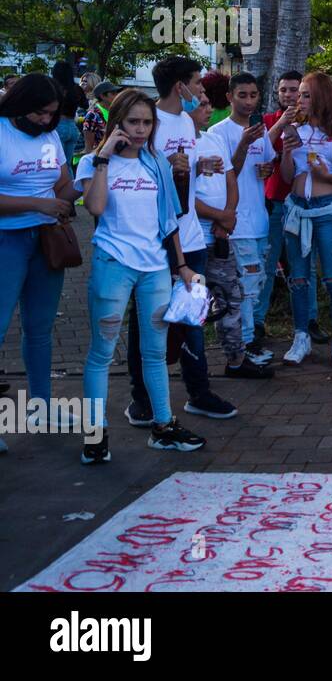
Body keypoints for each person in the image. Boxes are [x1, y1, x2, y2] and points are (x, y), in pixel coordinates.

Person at [75, 88, 207, 463]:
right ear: (117, 121)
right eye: (132, 121)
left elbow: (170, 220)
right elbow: (95, 207)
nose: (140, 130)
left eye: (147, 123)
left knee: (154, 352)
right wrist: (102, 158)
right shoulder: (92, 162)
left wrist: (181, 265)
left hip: (155, 270)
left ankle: (163, 426)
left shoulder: (156, 163)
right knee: (102, 351)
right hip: (113, 266)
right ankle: (95, 435)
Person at [123, 56, 236, 424]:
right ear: (180, 87)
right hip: (155, 241)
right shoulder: (147, 123)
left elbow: (182, 178)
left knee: (192, 318)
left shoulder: (187, 122)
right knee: (148, 320)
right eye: (198, 83)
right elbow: (132, 177)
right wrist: (166, 167)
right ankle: (141, 399)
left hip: (190, 238)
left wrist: (198, 168)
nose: (203, 90)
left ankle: (198, 392)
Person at [0, 76, 80, 423]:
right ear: (19, 105)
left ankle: (42, 408)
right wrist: (39, 204)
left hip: (46, 240)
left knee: (39, 327)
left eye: (52, 114)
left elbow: (62, 184)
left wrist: (84, 183)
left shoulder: (49, 136)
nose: (47, 121)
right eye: (40, 113)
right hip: (6, 240)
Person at [278, 71, 332, 367]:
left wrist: (327, 175)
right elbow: (288, 177)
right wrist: (287, 154)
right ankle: (301, 337)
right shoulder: (293, 130)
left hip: (327, 211)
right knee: (298, 279)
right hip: (297, 210)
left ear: (322, 96)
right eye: (298, 93)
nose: (298, 99)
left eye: (305, 94)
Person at [193, 95, 270, 378]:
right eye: (202, 103)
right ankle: (193, 367)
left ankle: (236, 359)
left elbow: (230, 179)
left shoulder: (211, 140)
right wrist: (219, 216)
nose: (208, 108)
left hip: (220, 236)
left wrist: (227, 218)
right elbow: (182, 195)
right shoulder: (179, 143)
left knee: (230, 297)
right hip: (191, 241)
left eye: (207, 102)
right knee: (194, 306)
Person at [207, 72, 281, 364]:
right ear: (229, 97)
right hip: (236, 224)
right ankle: (245, 345)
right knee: (244, 289)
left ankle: (246, 343)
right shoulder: (218, 133)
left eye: (253, 95)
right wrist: (242, 147)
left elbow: (262, 170)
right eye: (242, 95)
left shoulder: (260, 131)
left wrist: (267, 171)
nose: (249, 101)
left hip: (259, 220)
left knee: (255, 285)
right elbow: (225, 178)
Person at [256, 70, 326, 344]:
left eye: (294, 90)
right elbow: (262, 150)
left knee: (305, 265)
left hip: (304, 203)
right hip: (274, 202)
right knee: (267, 263)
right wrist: (282, 125)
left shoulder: (317, 124)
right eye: (283, 90)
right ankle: (259, 322)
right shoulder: (267, 121)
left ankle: (310, 319)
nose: (288, 95)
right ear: (276, 93)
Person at [51, 61, 87, 164]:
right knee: (67, 165)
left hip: (57, 125)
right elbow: (85, 105)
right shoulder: (76, 88)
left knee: (57, 165)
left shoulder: (54, 88)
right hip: (73, 128)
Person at [81, 81, 120, 157]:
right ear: (102, 96)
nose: (117, 95)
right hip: (98, 158)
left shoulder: (116, 112)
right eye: (113, 93)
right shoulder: (93, 115)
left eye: (117, 92)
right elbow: (88, 147)